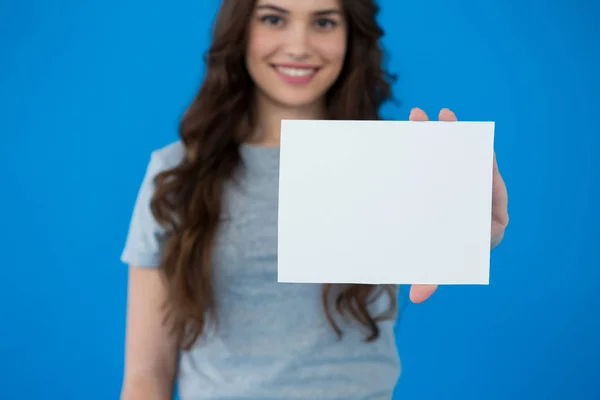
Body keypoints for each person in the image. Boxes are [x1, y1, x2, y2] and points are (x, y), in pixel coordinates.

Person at [119, 0, 510, 399]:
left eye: (324, 22)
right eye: (274, 19)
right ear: (238, 30)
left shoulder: (397, 162)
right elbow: (146, 374)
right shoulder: (178, 173)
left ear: (349, 36)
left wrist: (467, 230)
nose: (299, 45)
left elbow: (445, 237)